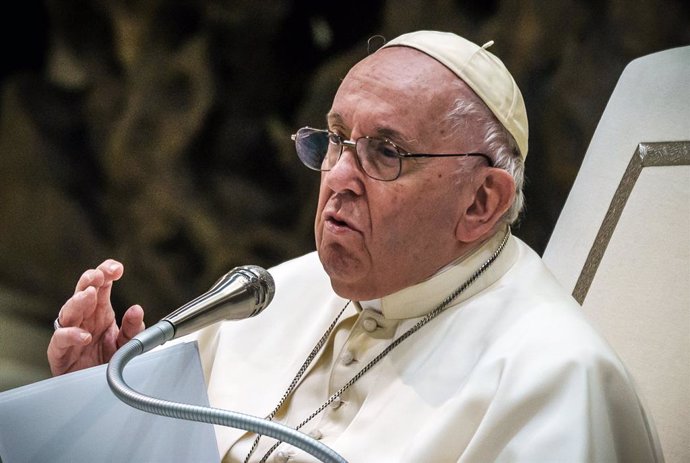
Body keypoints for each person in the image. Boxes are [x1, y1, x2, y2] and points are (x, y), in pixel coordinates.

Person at [47, 31, 663, 462]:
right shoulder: (270, 296)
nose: (339, 175)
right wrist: (109, 405)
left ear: (481, 203)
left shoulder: (553, 383)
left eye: (386, 152)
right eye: (337, 139)